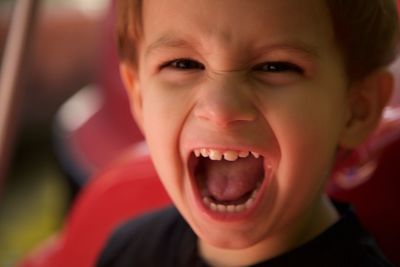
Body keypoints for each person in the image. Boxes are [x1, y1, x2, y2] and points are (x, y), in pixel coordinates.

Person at [96, 0, 399, 266]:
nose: (220, 109)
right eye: (183, 64)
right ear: (139, 97)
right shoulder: (129, 252)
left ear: (357, 109)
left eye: (274, 67)